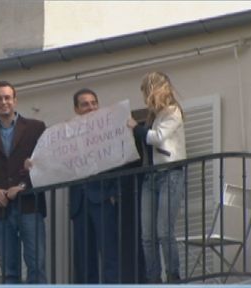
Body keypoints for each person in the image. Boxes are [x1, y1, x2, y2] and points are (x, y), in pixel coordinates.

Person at [0, 81, 47, 283]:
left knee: (37, 266)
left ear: (15, 100)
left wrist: (22, 187)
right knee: (9, 272)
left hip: (30, 205)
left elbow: (45, 165)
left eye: (7, 97)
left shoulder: (36, 128)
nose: (3, 101)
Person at [127, 71, 186, 283]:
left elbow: (157, 138)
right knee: (147, 236)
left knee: (164, 231)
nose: (144, 96)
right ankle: (153, 278)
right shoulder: (154, 116)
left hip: (169, 174)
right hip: (150, 178)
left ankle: (172, 275)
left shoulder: (173, 112)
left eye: (145, 91)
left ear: (153, 90)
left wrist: (136, 129)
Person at [69, 88, 119, 283]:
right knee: (84, 259)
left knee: (109, 253)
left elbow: (120, 157)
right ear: (76, 109)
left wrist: (114, 191)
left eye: (93, 103)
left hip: (103, 196)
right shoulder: (68, 134)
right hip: (79, 201)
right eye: (85, 104)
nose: (91, 107)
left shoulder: (108, 130)